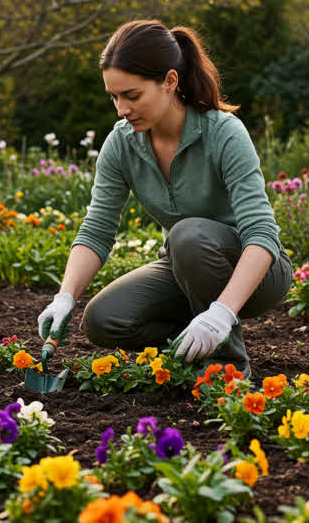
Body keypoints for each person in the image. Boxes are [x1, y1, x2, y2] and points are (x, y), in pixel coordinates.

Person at [36, 19, 292, 378]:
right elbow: (96, 229)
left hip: (258, 275)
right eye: (114, 96)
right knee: (103, 320)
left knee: (187, 236)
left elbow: (262, 235)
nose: (121, 109)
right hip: (184, 266)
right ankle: (192, 345)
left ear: (170, 81)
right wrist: (64, 297)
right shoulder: (122, 143)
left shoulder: (223, 133)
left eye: (132, 95)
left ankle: (226, 371)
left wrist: (221, 314)